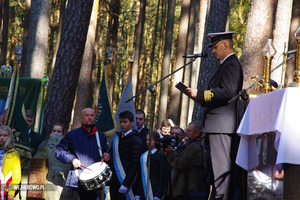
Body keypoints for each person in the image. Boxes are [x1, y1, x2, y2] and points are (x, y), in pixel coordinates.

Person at [186, 31, 243, 200]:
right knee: (218, 171)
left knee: (221, 173)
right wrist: (201, 99)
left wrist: (202, 94)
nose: (212, 51)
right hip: (218, 125)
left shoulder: (231, 64)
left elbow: (228, 92)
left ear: (225, 45)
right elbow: (220, 95)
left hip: (221, 125)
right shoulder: (225, 64)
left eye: (215, 46)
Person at [55, 107, 109, 200]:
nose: (89, 118)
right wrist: (72, 159)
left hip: (95, 181)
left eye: (91, 115)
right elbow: (59, 150)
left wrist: (108, 156)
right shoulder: (72, 134)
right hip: (77, 180)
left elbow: (107, 151)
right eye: (86, 115)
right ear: (81, 118)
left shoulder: (101, 136)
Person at [164, 121, 207, 200]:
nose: (186, 132)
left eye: (189, 131)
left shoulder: (194, 147)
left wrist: (170, 153)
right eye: (186, 130)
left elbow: (181, 164)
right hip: (181, 190)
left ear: (197, 133)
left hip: (187, 191)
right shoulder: (188, 145)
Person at [108, 110, 143, 200]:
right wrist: (108, 158)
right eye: (121, 122)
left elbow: (135, 164)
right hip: (115, 181)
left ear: (131, 123)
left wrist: (126, 183)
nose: (122, 124)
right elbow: (114, 158)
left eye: (125, 122)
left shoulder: (136, 140)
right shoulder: (117, 139)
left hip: (127, 182)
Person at [135, 130, 170, 200]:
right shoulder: (144, 155)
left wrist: (158, 194)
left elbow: (162, 176)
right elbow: (140, 176)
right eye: (146, 140)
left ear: (156, 141)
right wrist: (138, 193)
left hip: (154, 190)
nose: (147, 142)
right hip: (143, 191)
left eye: (150, 140)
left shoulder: (161, 155)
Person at [0, 126, 21, 200]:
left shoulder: (13, 153)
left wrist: (11, 193)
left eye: (5, 135)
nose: (2, 138)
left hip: (4, 187)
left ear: (9, 137)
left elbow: (16, 176)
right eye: (0, 135)